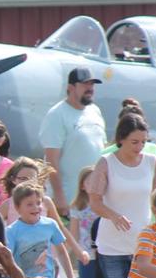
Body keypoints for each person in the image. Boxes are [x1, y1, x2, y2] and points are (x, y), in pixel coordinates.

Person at [87, 114, 156, 278]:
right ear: (121, 139)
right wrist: (114, 216)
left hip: (142, 244)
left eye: (143, 141)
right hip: (111, 245)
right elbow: (95, 201)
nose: (139, 147)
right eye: (134, 142)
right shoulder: (106, 162)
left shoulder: (152, 163)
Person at [40, 67, 107, 217]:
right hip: (68, 198)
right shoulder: (57, 115)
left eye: (92, 85)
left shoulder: (94, 111)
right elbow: (51, 161)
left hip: (93, 199)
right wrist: (59, 196)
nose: (90, 89)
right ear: (70, 88)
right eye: (85, 85)